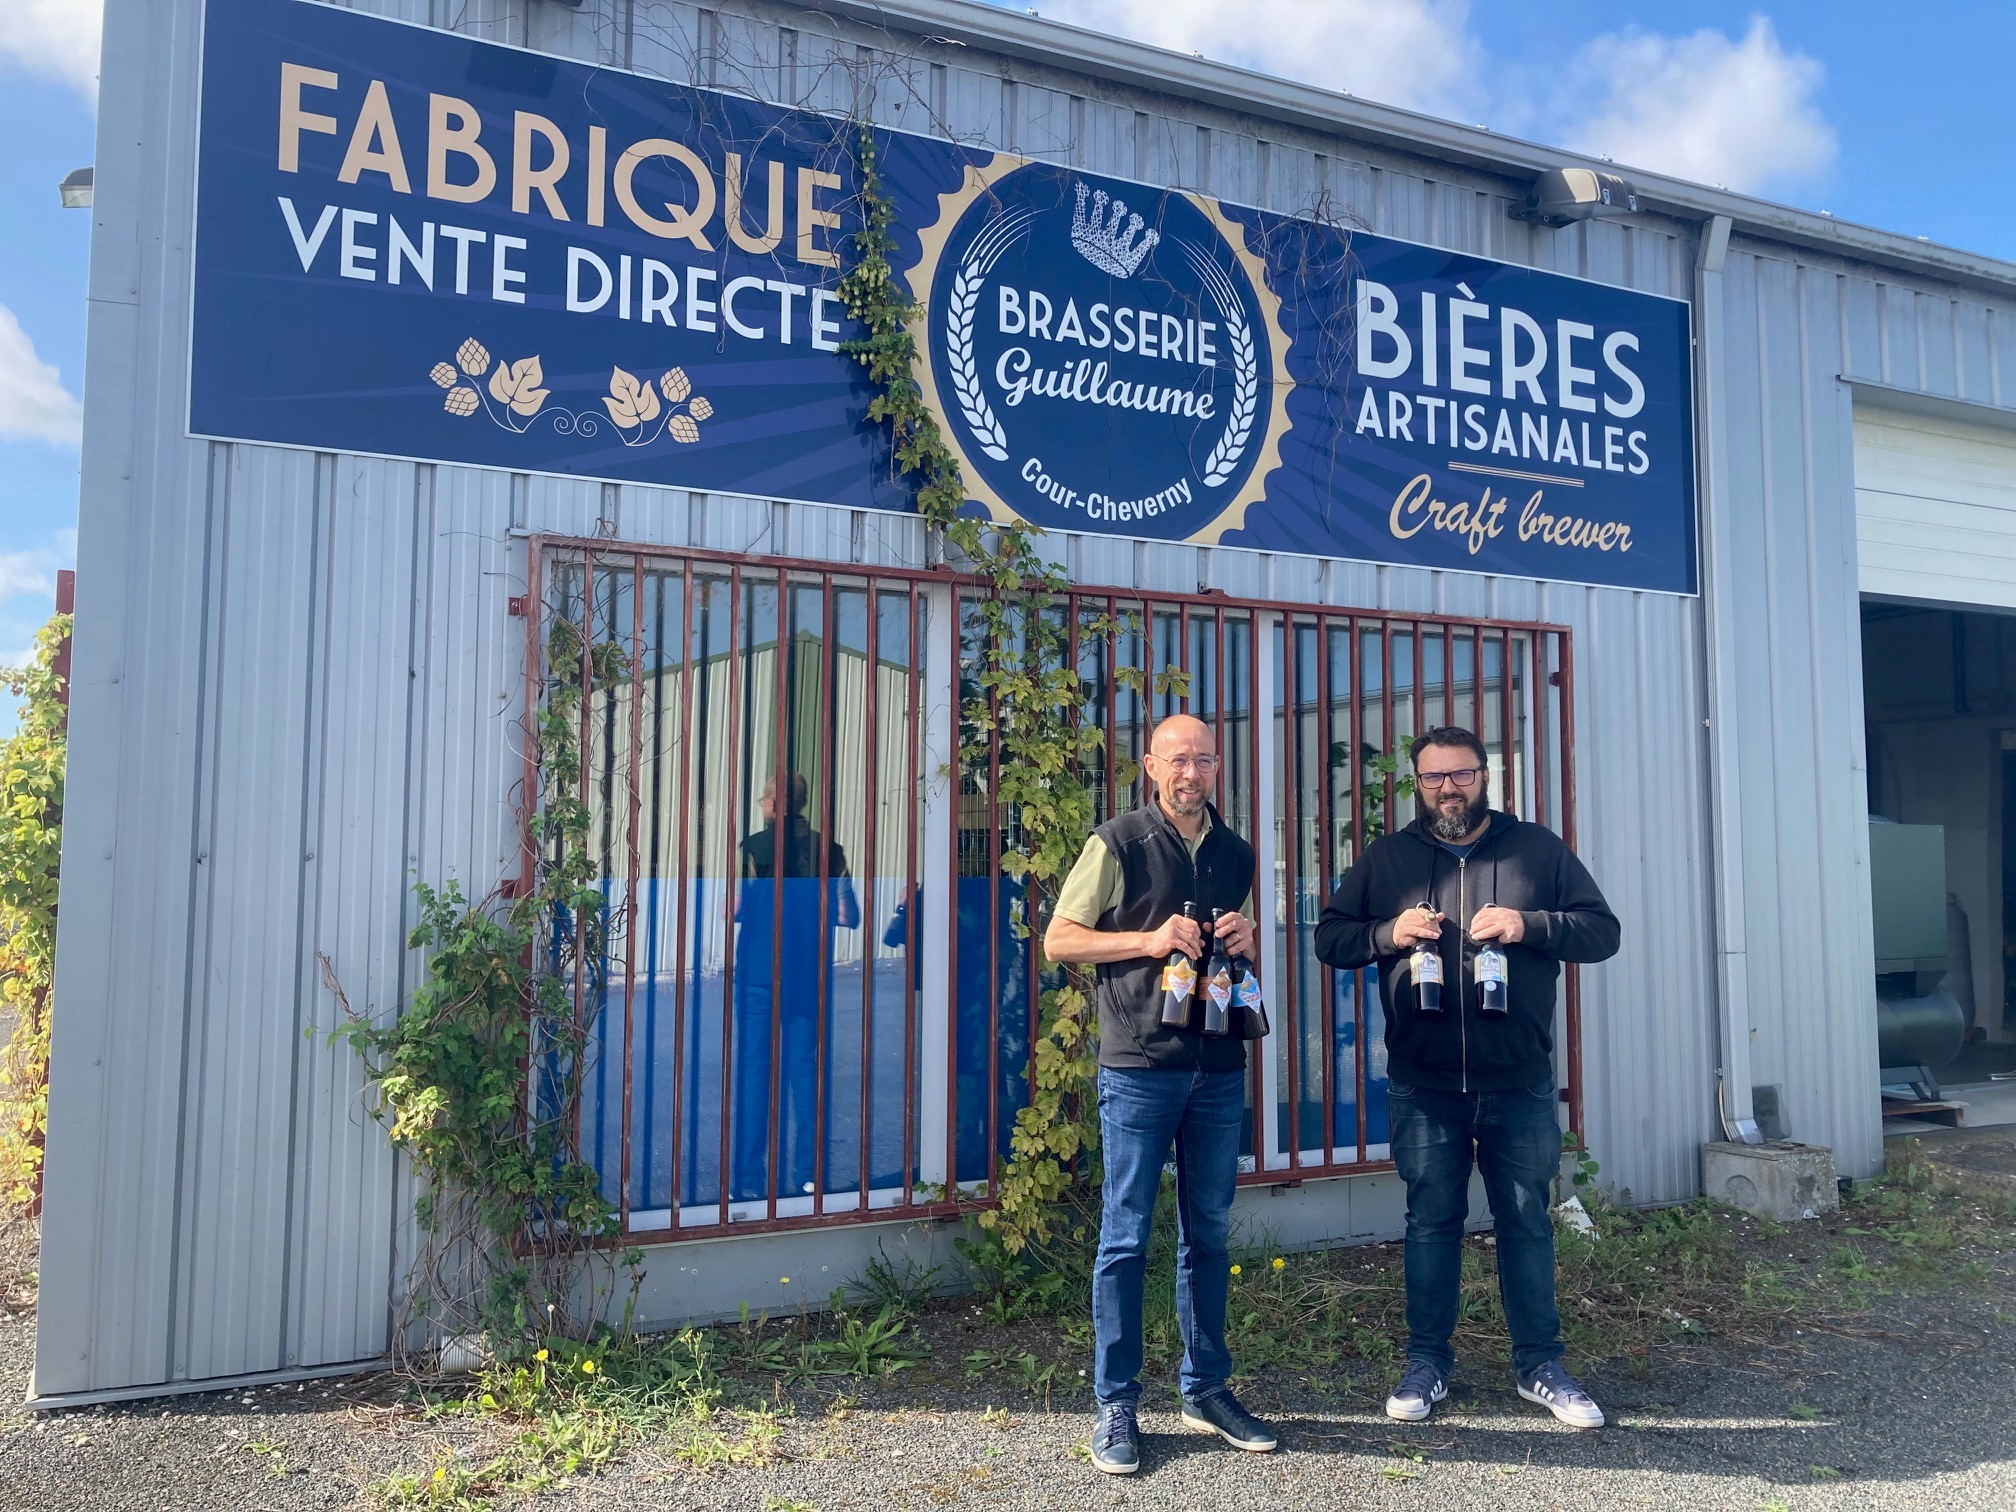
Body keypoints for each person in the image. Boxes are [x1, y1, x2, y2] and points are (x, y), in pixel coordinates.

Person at [1314, 726, 1619, 1430]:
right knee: (1431, 1224)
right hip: (1425, 1086)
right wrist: (1388, 935)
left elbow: (1603, 933)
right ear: (1415, 785)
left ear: (1486, 775)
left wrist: (1530, 923)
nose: (1448, 788)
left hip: (1517, 1081)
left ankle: (1540, 1365)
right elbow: (1331, 936)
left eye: (1460, 774)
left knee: (1525, 1223)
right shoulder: (1389, 858)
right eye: (1432, 778)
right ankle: (1427, 1363)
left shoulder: (1535, 848)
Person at [1044, 713, 1276, 1475]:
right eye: (1178, 760)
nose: (1191, 774)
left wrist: (1244, 941)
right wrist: (1146, 940)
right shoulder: (1116, 843)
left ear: (1216, 768)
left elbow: (1229, 950)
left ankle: (1206, 1387)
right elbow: (1062, 939)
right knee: (1125, 1236)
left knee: (1207, 1232)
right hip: (1139, 1066)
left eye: (1204, 760)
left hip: (1217, 1065)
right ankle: (1117, 1403)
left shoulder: (1237, 851)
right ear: (1150, 766)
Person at [729, 770, 859, 1204]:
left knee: (753, 1073)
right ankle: (809, 1176)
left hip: (758, 976)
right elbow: (848, 915)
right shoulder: (831, 851)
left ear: (773, 805)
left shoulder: (752, 848)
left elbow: (736, 908)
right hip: (807, 977)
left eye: (764, 801)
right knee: (806, 1074)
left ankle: (749, 1178)